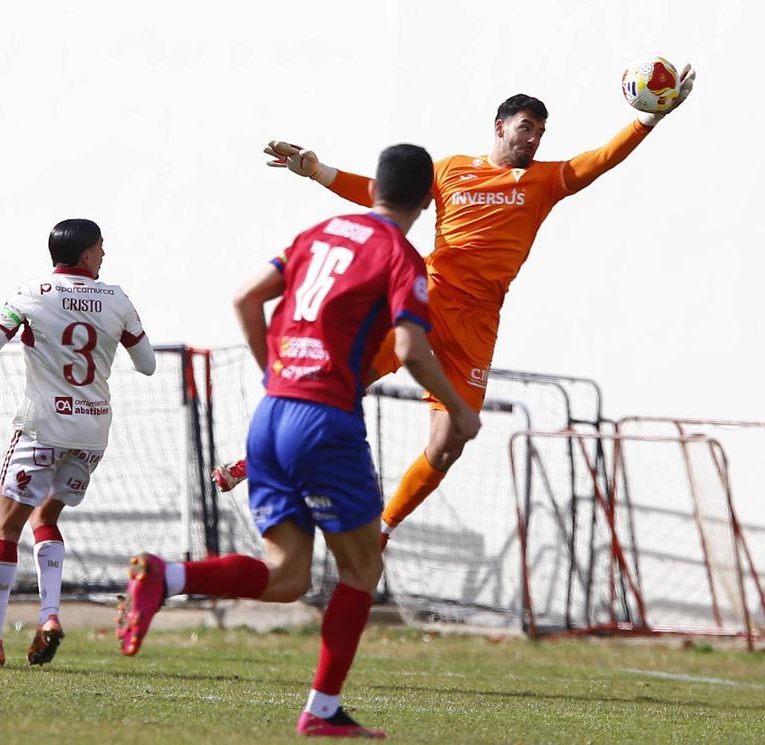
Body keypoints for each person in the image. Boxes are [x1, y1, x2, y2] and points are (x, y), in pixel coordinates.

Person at [216, 66, 696, 550]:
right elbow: (384, 195)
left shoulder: (546, 182)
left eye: (541, 133)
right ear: (500, 127)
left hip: (476, 324)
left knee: (448, 446)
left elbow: (600, 159)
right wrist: (317, 171)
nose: (533, 140)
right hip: (424, 298)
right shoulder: (448, 170)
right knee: (335, 387)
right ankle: (250, 463)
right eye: (526, 128)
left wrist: (648, 120)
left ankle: (380, 530)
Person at [119, 145, 480, 737]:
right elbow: (413, 349)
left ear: (375, 188)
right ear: (427, 200)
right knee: (362, 567)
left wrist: (274, 373)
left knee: (287, 576)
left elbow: (244, 297)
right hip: (325, 422)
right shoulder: (402, 256)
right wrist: (460, 410)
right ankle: (322, 709)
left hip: (271, 413)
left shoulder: (320, 231)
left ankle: (169, 577)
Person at [0, 218, 155, 666]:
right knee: (46, 516)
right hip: (91, 431)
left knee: (6, 527)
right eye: (102, 249)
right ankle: (49, 615)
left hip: (42, 427)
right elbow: (146, 365)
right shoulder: (117, 298)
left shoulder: (31, 293)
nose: (105, 256)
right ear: (87, 255)